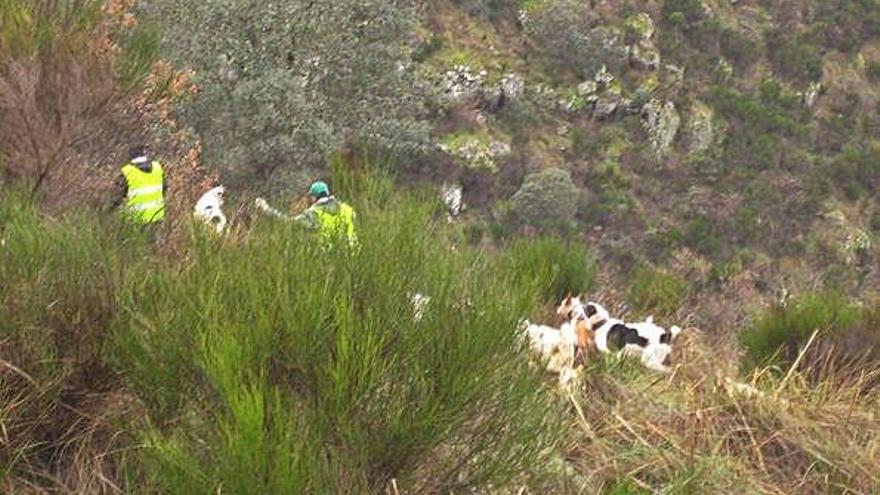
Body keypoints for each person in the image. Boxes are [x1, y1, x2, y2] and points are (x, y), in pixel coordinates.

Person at [255, 181, 358, 249]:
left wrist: (266, 208)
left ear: (314, 197)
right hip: (354, 258)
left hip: (330, 258)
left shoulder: (314, 213)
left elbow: (288, 222)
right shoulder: (348, 209)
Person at [295, 181, 358, 249]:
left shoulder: (313, 212)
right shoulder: (347, 209)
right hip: (353, 252)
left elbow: (293, 223)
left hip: (329, 253)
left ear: (313, 197)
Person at [118, 145, 166, 225]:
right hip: (156, 216)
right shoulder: (157, 167)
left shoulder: (127, 171)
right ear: (144, 153)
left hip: (136, 219)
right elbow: (164, 189)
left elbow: (118, 196)